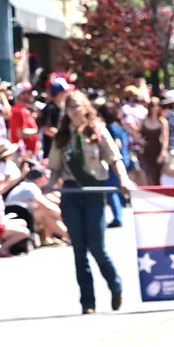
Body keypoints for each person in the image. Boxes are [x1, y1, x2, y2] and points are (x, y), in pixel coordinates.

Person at [46, 91, 133, 315]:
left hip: (94, 191)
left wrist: (123, 179)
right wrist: (51, 183)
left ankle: (115, 285)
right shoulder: (62, 136)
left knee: (97, 247)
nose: (75, 110)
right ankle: (88, 302)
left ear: (86, 107)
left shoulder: (97, 131)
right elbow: (55, 166)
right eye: (70, 106)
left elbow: (115, 158)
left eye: (78, 105)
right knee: (79, 250)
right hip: (71, 192)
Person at [37, 77, 70, 157]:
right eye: (65, 92)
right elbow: (47, 130)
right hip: (51, 151)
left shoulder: (59, 107)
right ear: (59, 93)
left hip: (59, 149)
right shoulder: (50, 108)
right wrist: (66, 137)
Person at [138, 98, 167, 186]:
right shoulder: (144, 120)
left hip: (157, 150)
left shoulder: (162, 122)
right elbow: (137, 132)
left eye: (156, 105)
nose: (154, 108)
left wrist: (162, 153)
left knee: (156, 176)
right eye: (152, 106)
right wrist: (139, 140)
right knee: (144, 171)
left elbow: (165, 139)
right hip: (146, 151)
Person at [9, 83, 40, 157]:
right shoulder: (20, 111)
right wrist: (37, 131)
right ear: (20, 95)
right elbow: (21, 133)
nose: (31, 94)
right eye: (28, 93)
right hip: (23, 153)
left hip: (27, 152)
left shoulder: (22, 109)